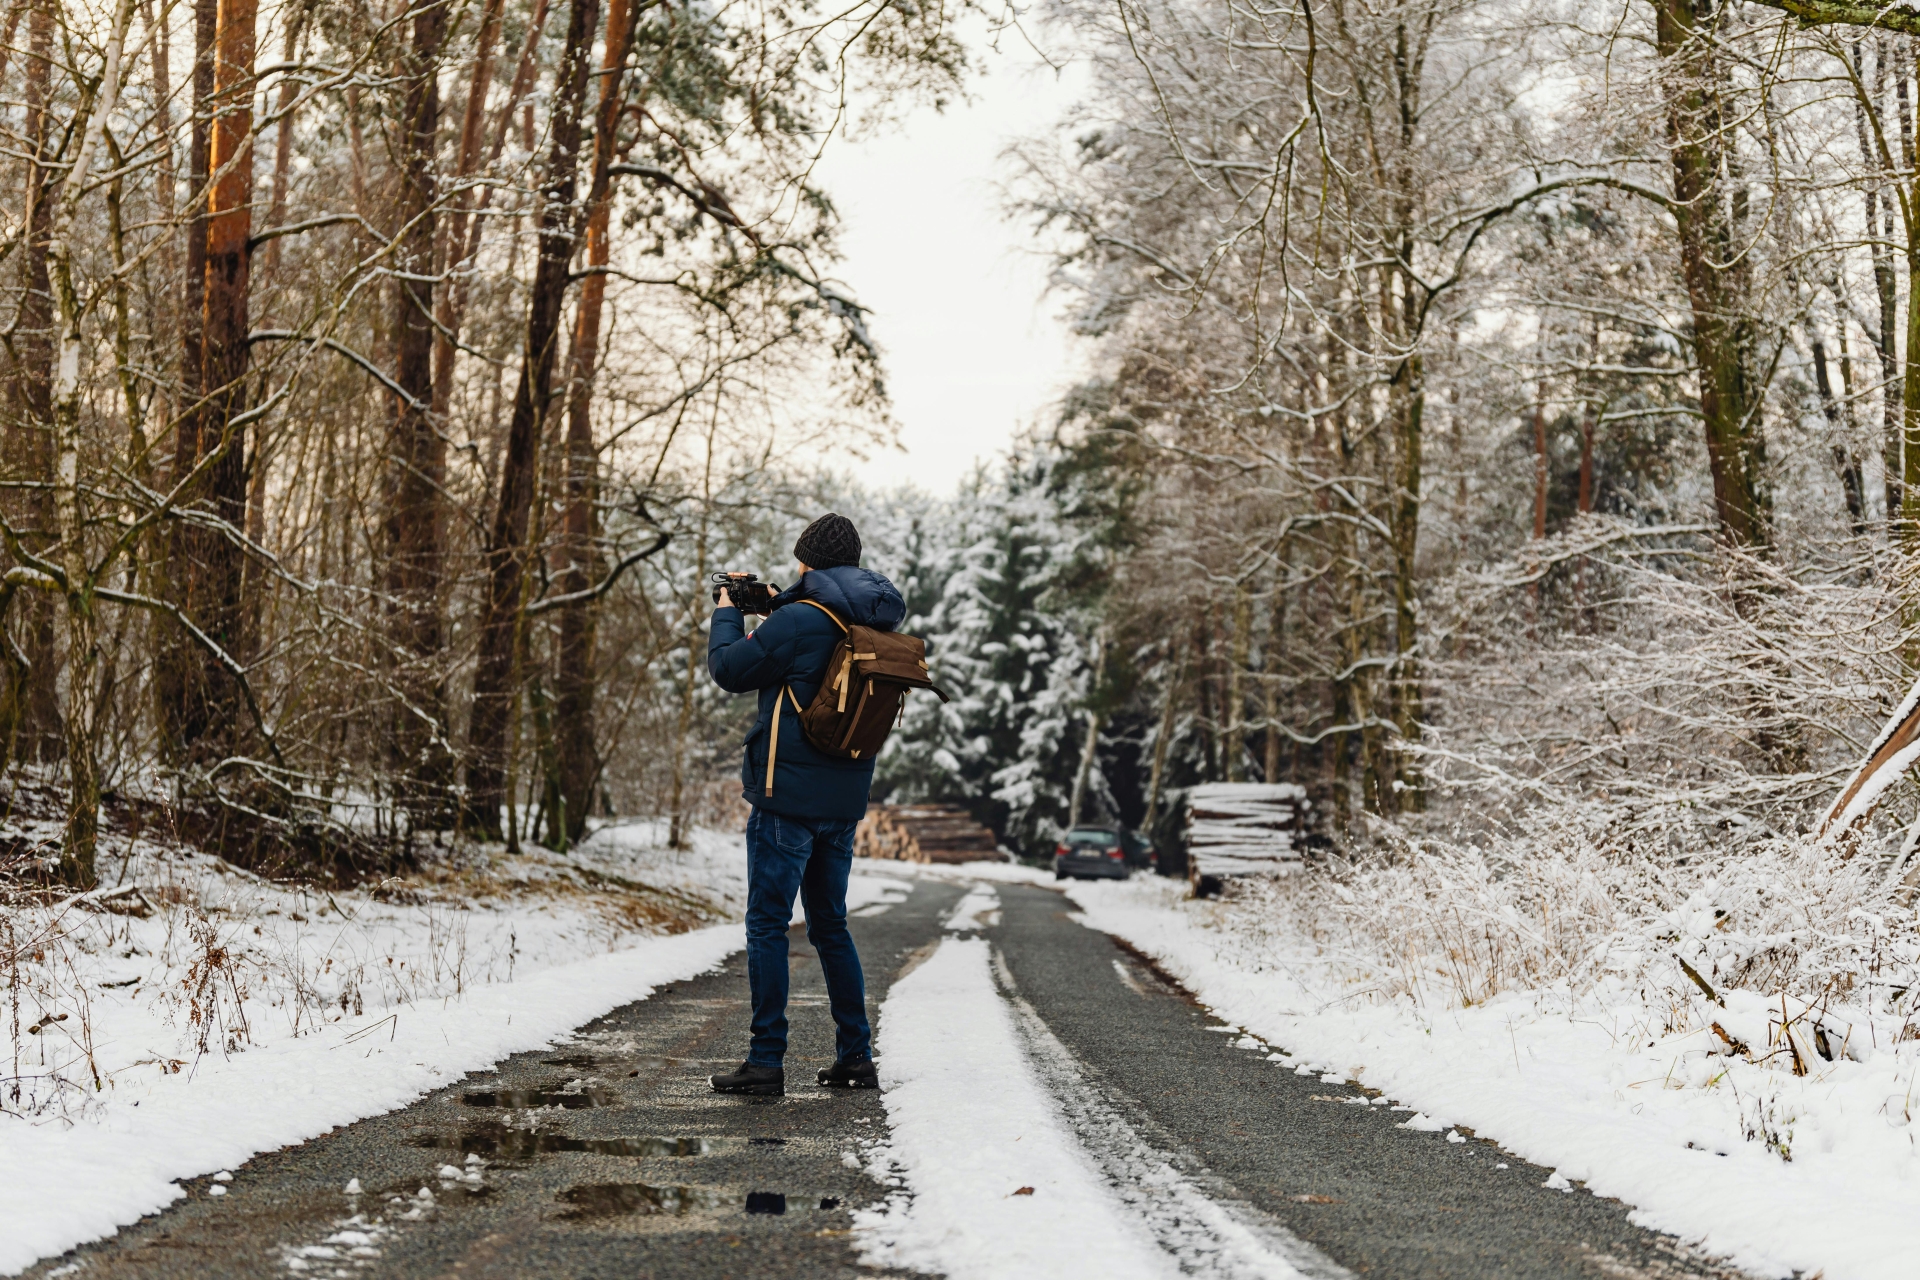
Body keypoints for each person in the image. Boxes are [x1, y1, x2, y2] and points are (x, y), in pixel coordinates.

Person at [704, 513, 904, 1096]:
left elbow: (729, 670)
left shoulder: (797, 620)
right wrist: (776, 603)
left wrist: (728, 611)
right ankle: (855, 1056)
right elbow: (808, 641)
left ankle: (766, 1061)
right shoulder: (869, 621)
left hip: (784, 800)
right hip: (842, 803)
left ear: (809, 562)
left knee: (768, 924)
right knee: (830, 926)